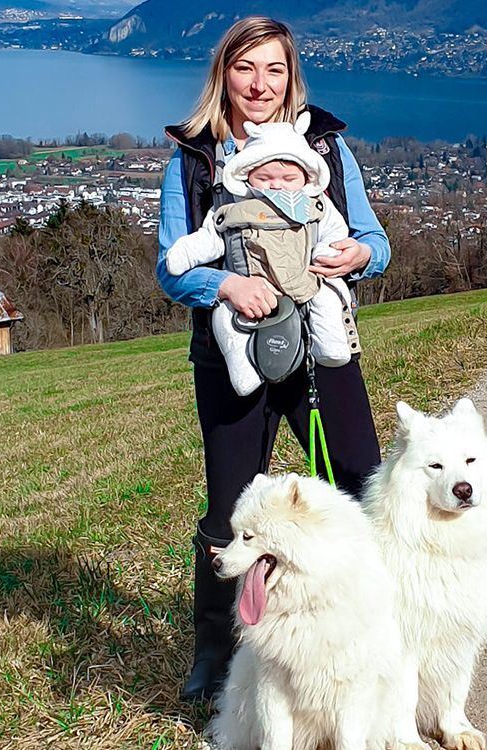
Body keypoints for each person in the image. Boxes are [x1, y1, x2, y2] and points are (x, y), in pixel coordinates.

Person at [156, 16, 391, 703]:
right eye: (245, 68)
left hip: (322, 348)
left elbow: (375, 241)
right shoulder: (194, 157)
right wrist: (226, 283)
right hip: (232, 347)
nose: (259, 85)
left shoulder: (323, 147)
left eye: (274, 70)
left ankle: (369, 635)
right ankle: (218, 652)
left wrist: (357, 255)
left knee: (359, 482)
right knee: (233, 508)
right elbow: (172, 268)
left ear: (292, 79)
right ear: (222, 74)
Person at [163, 116, 361, 396]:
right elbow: (210, 238)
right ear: (247, 175)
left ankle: (330, 347)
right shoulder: (235, 208)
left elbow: (337, 233)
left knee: (327, 297)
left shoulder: (315, 206)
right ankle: (243, 366)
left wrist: (342, 255)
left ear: (307, 176)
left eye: (288, 178)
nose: (276, 186)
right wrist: (202, 267)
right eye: (264, 178)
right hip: (251, 294)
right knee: (226, 316)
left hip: (306, 282)